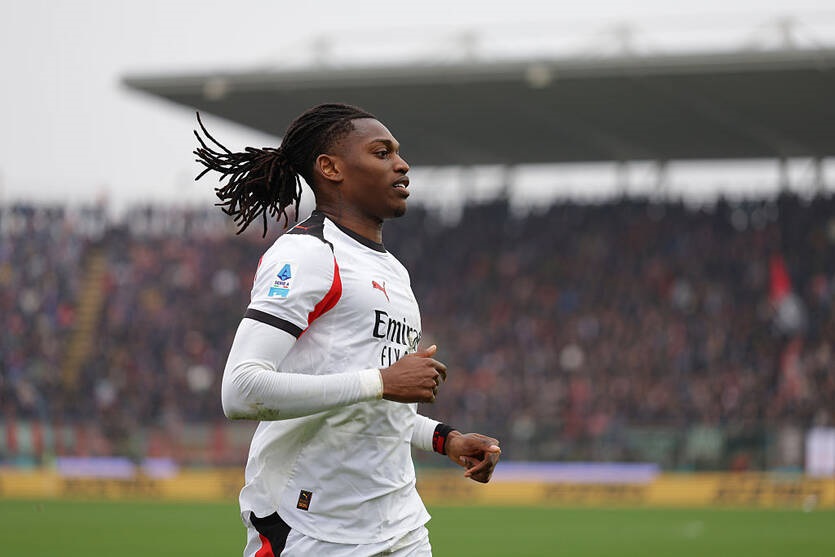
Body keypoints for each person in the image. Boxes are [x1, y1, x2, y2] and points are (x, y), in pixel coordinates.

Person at [194, 103, 501, 556]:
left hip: (400, 525)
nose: (402, 164)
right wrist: (382, 381)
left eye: (398, 153)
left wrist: (445, 439)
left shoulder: (395, 271)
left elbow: (372, 408)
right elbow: (240, 391)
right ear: (331, 168)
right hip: (312, 527)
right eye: (382, 153)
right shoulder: (306, 254)